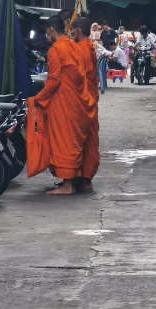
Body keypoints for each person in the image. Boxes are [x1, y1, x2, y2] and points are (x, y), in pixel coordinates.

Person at [26, 16, 94, 195]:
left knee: (63, 141)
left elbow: (54, 79)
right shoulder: (73, 46)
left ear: (50, 29)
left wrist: (38, 98)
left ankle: (67, 185)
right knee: (71, 141)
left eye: (47, 30)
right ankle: (70, 181)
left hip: (62, 101)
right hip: (76, 100)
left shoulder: (55, 50)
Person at [70, 17, 100, 191]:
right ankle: (81, 176)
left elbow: (77, 76)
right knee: (87, 137)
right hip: (88, 95)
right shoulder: (87, 46)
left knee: (85, 137)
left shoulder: (82, 50)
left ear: (78, 31)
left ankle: (85, 178)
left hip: (84, 98)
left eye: (72, 29)